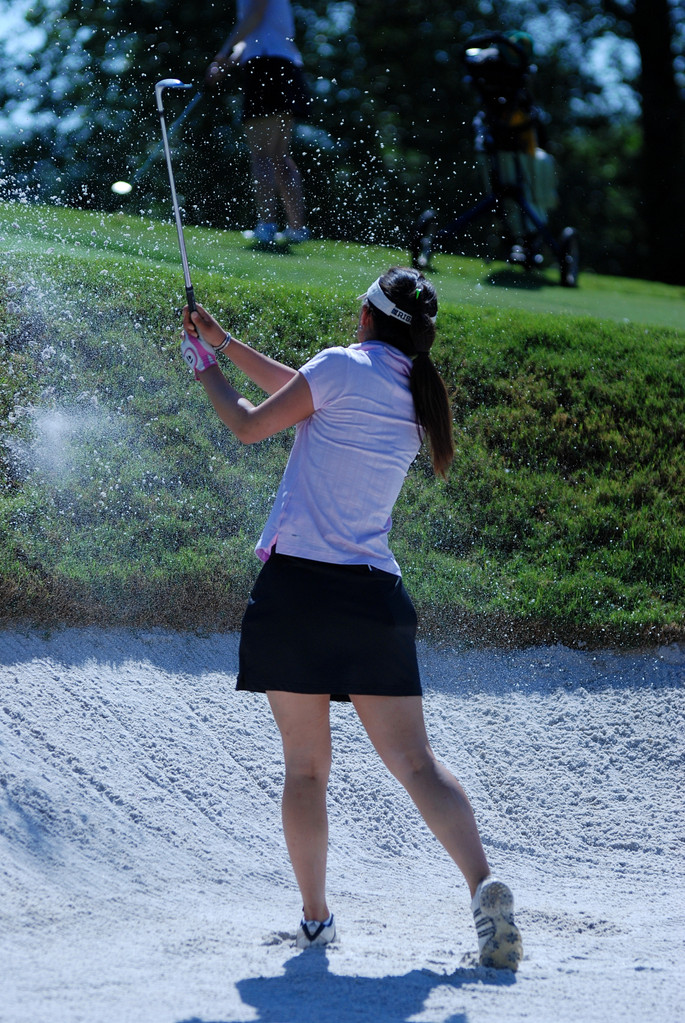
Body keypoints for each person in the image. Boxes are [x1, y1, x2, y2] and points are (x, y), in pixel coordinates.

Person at [179, 266, 523, 970]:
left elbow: (250, 423)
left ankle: (314, 920)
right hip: (373, 600)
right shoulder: (415, 390)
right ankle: (483, 884)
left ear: (365, 317)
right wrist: (227, 342)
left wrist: (203, 365)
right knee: (418, 764)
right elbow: (307, 390)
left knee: (306, 770)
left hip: (296, 596)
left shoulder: (338, 368)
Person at [205, 0, 310, 245]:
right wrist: (229, 61)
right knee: (279, 155)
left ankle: (267, 226)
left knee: (262, 155)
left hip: (266, 66)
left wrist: (220, 55)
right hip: (286, 66)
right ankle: (297, 229)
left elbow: (253, 17)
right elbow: (256, 32)